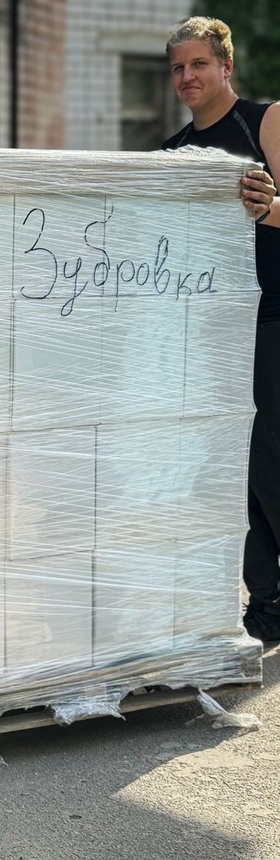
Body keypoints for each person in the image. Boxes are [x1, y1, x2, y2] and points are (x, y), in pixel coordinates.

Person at [162, 17, 280, 642]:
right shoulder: (173, 156)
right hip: (212, 334)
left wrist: (271, 209)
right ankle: (266, 609)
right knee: (236, 481)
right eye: (178, 68)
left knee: (269, 468)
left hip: (273, 322)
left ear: (225, 66)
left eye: (198, 64)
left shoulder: (266, 123)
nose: (187, 77)